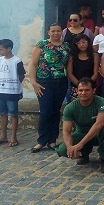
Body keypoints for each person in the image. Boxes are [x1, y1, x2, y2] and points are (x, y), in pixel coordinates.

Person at [55, 78, 104, 173]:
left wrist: (80, 144)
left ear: (93, 90)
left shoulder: (102, 102)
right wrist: (70, 148)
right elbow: (66, 131)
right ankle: (84, 154)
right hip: (81, 133)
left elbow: (100, 124)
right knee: (63, 149)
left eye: (87, 90)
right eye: (80, 90)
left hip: (99, 134)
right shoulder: (70, 107)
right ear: (76, 91)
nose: (83, 93)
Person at [29, 23, 70, 153]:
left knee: (55, 111)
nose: (56, 33)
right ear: (49, 32)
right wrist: (33, 82)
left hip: (61, 82)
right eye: (53, 31)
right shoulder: (41, 45)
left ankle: (52, 140)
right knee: (45, 111)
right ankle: (41, 140)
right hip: (44, 82)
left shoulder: (66, 46)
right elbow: (33, 64)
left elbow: (68, 64)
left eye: (58, 31)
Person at [0, 39, 25, 147]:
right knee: (2, 113)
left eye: (1, 49)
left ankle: (13, 137)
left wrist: (14, 85)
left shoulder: (17, 61)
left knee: (13, 113)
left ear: (9, 49)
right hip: (1, 90)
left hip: (12, 91)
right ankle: (3, 135)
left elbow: (21, 75)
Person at [67, 34, 99, 100]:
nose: (82, 45)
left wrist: (88, 85)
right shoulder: (72, 56)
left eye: (84, 42)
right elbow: (69, 73)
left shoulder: (95, 56)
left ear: (88, 43)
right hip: (76, 87)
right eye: (79, 43)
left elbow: (95, 73)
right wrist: (79, 85)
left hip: (90, 87)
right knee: (76, 107)